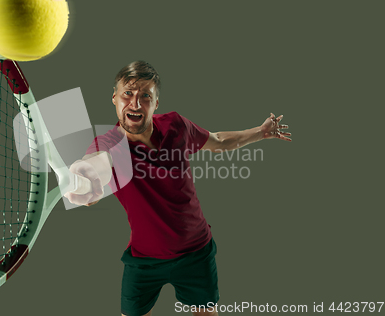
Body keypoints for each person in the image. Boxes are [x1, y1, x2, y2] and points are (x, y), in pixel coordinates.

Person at [65, 61, 292, 316]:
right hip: (144, 260)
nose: (135, 103)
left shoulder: (176, 125)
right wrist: (86, 180)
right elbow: (96, 165)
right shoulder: (107, 144)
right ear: (115, 99)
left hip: (196, 252)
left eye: (145, 96)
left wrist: (260, 133)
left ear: (156, 103)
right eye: (127, 94)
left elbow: (219, 141)